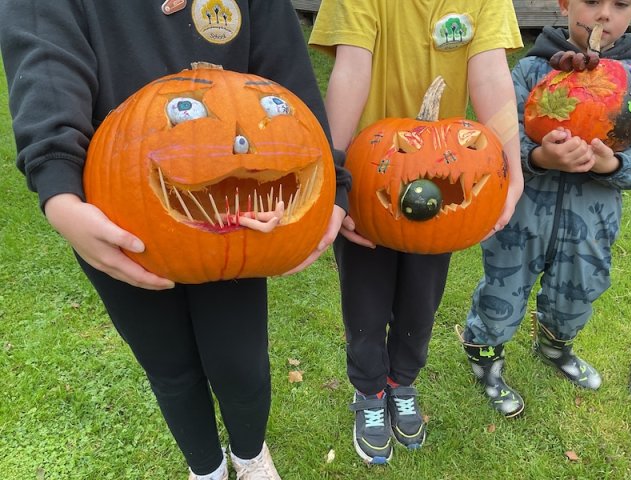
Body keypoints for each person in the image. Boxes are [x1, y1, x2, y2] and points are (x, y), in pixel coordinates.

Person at [0, 1, 351, 479]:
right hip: (115, 211)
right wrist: (57, 185)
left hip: (238, 214)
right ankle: (206, 467)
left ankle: (249, 455)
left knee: (240, 362)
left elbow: (287, 75)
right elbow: (45, 58)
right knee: (169, 367)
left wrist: (333, 181)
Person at [309, 0, 524, 464]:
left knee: (420, 303)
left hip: (445, 184)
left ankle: (400, 382)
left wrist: (513, 164)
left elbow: (490, 75)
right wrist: (334, 177)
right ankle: (369, 390)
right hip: (370, 180)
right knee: (365, 303)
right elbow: (351, 70)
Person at [459, 0, 631, 418]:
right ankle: (485, 358)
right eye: (591, 1)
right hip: (522, 218)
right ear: (563, 4)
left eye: (620, 4)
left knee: (577, 294)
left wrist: (613, 165)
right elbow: (496, 142)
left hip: (591, 225)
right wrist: (538, 157)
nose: (603, 14)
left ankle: (555, 347)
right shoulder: (532, 71)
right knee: (502, 293)